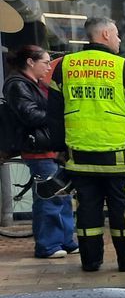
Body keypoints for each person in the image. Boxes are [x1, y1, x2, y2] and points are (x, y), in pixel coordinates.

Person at [47, 17, 125, 272]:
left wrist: (59, 147)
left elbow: (54, 112)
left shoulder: (65, 66)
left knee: (87, 211)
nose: (119, 40)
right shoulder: (123, 67)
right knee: (121, 210)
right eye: (116, 34)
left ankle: (91, 262)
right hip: (117, 155)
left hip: (79, 155)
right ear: (105, 34)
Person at [2, 45, 78, 259]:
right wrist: (57, 117)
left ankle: (65, 240)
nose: (48, 67)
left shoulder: (31, 84)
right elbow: (29, 115)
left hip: (48, 148)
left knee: (61, 196)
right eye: (45, 62)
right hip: (38, 149)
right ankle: (48, 245)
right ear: (30, 62)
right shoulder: (17, 84)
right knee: (49, 198)